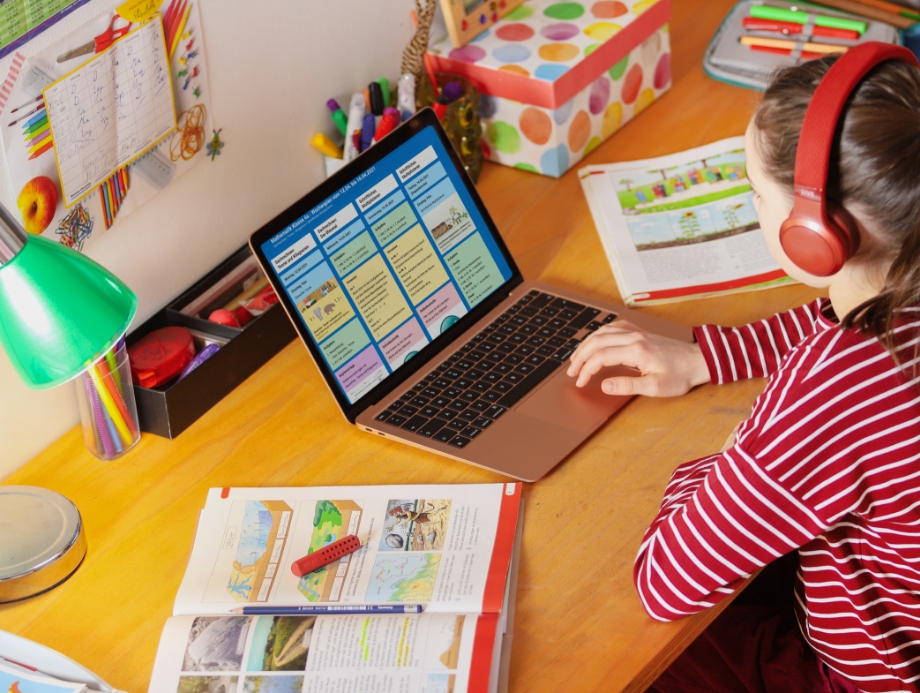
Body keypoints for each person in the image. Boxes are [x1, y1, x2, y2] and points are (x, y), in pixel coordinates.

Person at [567, 45, 920, 693]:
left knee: (617, 666)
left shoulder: (835, 386)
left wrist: (730, 461)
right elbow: (840, 319)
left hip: (868, 679)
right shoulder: (902, 282)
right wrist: (708, 356)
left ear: (817, 232)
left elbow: (666, 578)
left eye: (755, 192)